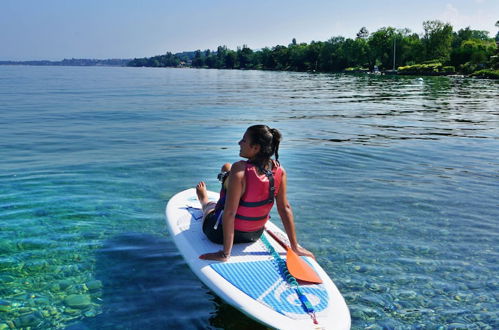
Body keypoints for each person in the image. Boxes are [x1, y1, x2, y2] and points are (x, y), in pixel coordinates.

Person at [195, 125, 315, 262]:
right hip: (254, 234)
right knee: (226, 167)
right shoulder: (280, 170)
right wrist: (295, 247)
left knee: (209, 208)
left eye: (244, 140)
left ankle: (204, 199)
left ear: (256, 148)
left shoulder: (239, 169)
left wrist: (225, 253)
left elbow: (229, 213)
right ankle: (224, 177)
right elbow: (285, 208)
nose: (239, 143)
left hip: (219, 235)